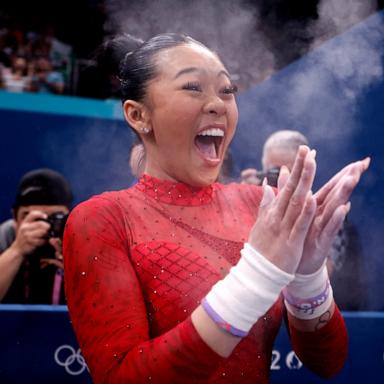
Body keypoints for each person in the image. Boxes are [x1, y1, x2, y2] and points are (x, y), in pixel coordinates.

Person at [63, 33, 369, 383]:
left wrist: (308, 279)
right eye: (193, 87)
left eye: (227, 90)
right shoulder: (103, 219)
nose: (218, 104)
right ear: (137, 114)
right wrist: (257, 276)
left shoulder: (257, 205)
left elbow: (327, 362)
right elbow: (122, 378)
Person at [0, 168, 73, 304]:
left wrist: (78, 268)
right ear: (15, 218)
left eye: (54, 218)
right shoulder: (4, 237)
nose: (42, 226)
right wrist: (16, 250)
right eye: (30, 217)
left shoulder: (82, 238)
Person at [240, 129, 308, 187]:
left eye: (287, 172)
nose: (280, 179)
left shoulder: (313, 201)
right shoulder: (254, 192)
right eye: (273, 172)